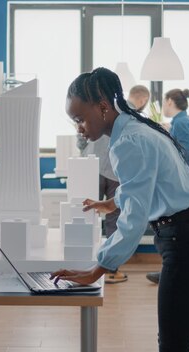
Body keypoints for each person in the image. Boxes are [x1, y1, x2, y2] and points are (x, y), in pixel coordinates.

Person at [51, 68, 189, 352]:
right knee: (176, 343)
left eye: (80, 119)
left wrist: (98, 269)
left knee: (173, 345)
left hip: (187, 244)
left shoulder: (127, 142)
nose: (79, 128)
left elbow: (133, 219)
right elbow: (144, 184)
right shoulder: (134, 129)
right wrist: (110, 203)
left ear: (103, 108)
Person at [75, 84, 151, 284]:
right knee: (113, 220)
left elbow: (81, 137)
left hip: (93, 165)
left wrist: (96, 271)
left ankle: (92, 263)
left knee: (88, 213)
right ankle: (110, 269)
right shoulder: (132, 119)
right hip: (113, 173)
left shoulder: (118, 122)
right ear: (143, 100)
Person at [146, 88, 189, 284]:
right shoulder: (188, 120)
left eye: (164, 102)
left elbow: (187, 152)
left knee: (179, 229)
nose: (163, 106)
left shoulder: (180, 123)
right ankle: (180, 269)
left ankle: (174, 270)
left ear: (171, 101)